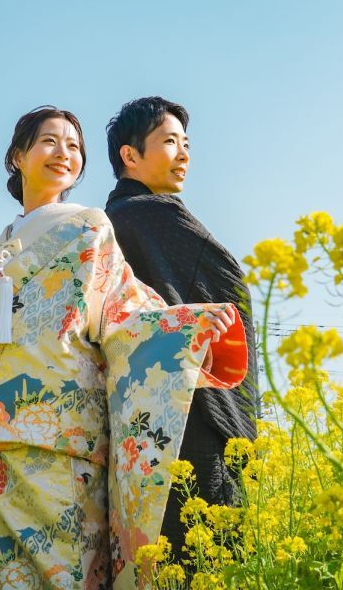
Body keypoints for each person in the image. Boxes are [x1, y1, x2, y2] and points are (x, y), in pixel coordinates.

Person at [0, 106, 249, 590]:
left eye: (74, 146)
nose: (64, 153)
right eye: (49, 141)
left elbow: (124, 313)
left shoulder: (89, 228)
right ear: (18, 157)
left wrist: (191, 325)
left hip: (59, 443)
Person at [103, 97, 258, 544]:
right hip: (192, 414)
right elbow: (228, 290)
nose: (184, 154)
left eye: (186, 143)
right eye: (169, 142)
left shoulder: (108, 222)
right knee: (206, 548)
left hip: (131, 421)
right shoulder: (152, 215)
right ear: (129, 155)